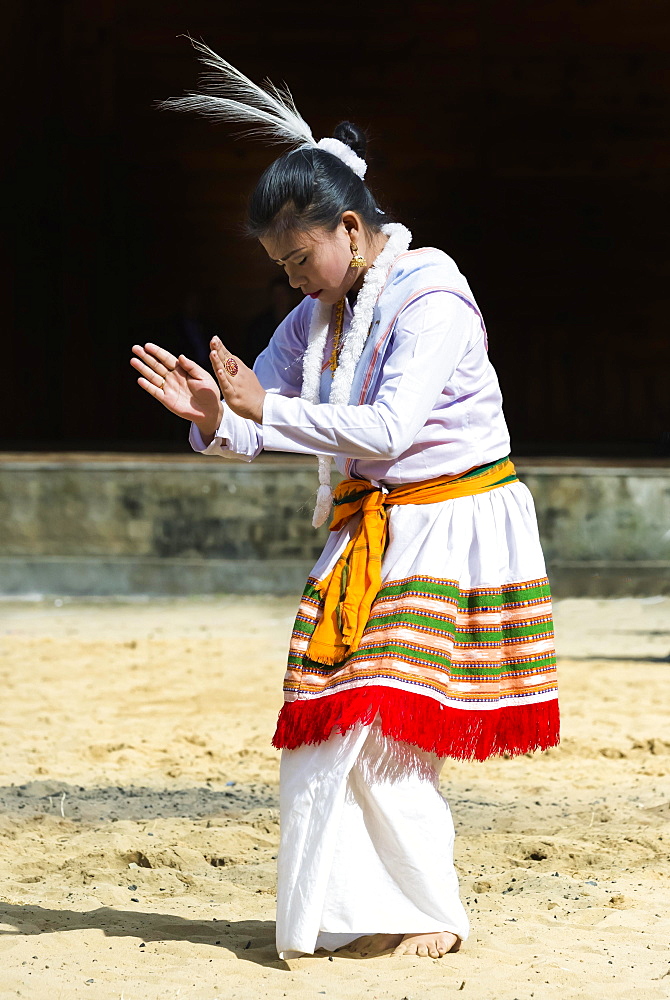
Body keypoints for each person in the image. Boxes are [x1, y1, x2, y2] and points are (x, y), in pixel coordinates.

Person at [130, 41, 559, 961]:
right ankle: (352, 914)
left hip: (450, 522)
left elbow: (390, 429)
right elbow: (263, 421)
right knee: (329, 726)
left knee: (382, 721)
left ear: (355, 230)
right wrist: (215, 417)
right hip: (370, 528)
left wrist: (265, 409)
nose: (292, 274)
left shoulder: (433, 291)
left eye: (302, 254)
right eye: (279, 262)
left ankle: (426, 911)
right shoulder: (310, 318)